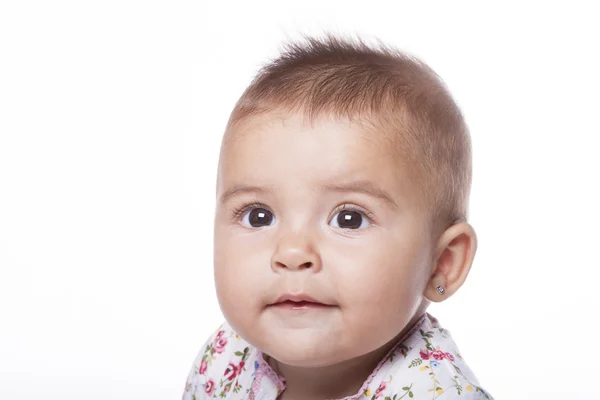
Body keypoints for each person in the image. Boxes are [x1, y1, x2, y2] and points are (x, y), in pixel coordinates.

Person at [182, 34, 493, 400]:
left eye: (349, 219)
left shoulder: (433, 392)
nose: (292, 252)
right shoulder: (226, 357)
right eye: (258, 215)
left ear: (442, 263)